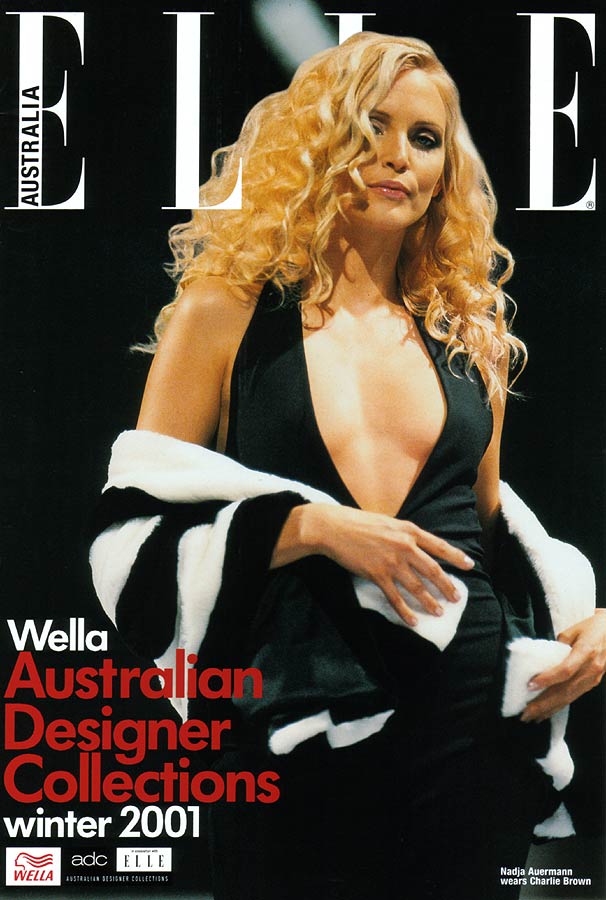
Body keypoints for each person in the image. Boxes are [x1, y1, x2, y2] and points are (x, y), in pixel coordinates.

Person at [90, 32, 606, 900]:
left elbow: (494, 540)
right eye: (370, 127)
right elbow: (132, 529)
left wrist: (586, 621)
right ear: (318, 142)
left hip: (467, 725)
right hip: (292, 725)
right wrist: (309, 528)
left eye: (424, 138)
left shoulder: (470, 341)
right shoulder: (225, 313)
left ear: (444, 172)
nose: (397, 155)